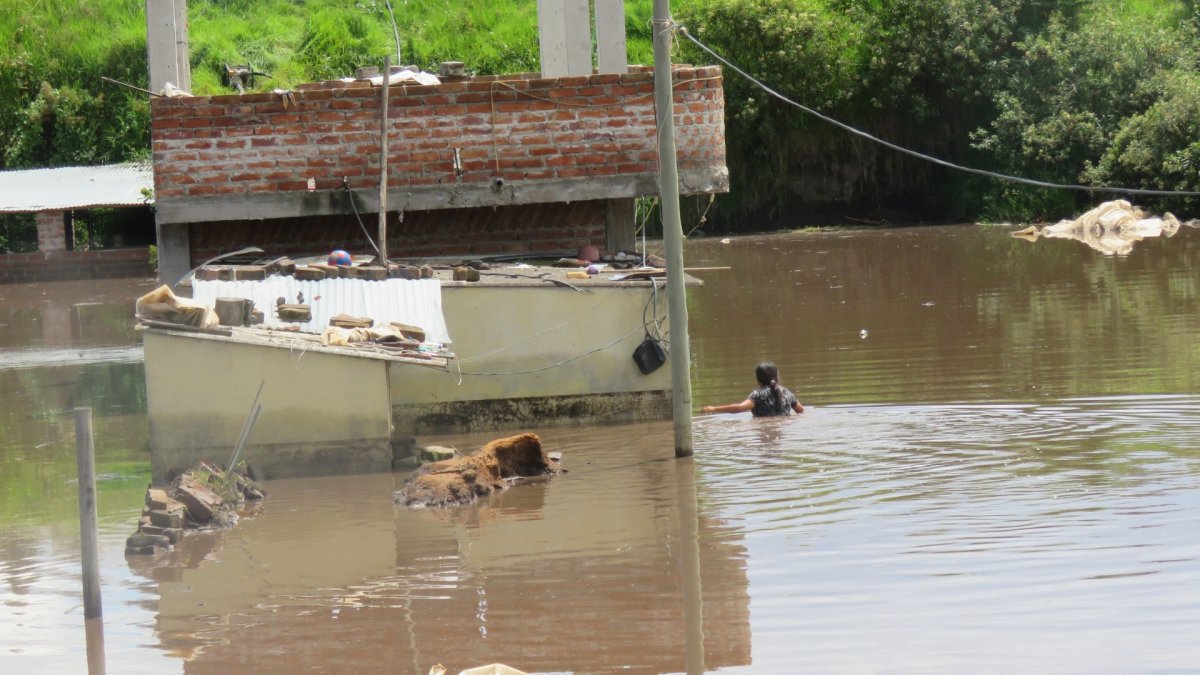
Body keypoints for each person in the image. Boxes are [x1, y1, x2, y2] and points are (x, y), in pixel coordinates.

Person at [701, 361, 804, 416]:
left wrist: (714, 409)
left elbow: (740, 408)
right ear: (776, 377)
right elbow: (800, 410)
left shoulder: (758, 394)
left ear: (758, 380)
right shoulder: (787, 393)